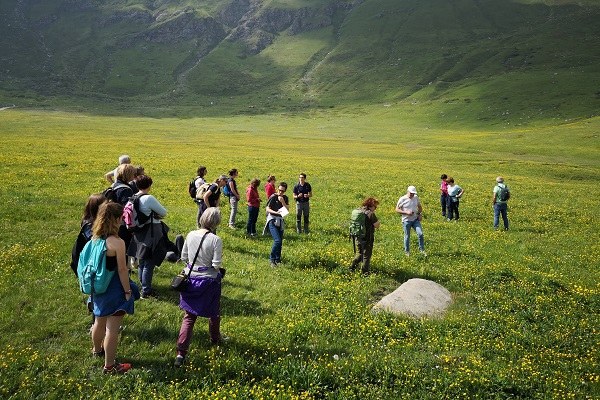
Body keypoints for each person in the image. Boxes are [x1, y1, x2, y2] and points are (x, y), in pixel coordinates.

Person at [89, 202, 138, 374]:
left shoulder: (95, 238)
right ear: (116, 219)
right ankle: (109, 366)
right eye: (121, 218)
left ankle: (97, 350)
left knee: (99, 321)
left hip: (98, 286)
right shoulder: (117, 242)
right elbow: (122, 270)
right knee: (112, 328)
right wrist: (127, 291)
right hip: (114, 288)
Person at [175, 207, 225, 367]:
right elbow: (216, 265)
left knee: (189, 317)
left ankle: (181, 353)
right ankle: (215, 338)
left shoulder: (190, 234)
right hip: (208, 281)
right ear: (216, 222)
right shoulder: (215, 240)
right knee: (214, 312)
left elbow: (184, 256)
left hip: (190, 279)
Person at [127, 175, 168, 298]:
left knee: (142, 259)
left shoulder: (132, 198)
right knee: (149, 262)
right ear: (149, 185)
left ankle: (143, 285)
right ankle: (146, 291)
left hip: (138, 231)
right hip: (151, 231)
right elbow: (164, 212)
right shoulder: (148, 198)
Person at [70, 194, 108, 276]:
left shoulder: (95, 220)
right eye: (105, 205)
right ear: (98, 208)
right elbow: (94, 241)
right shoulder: (88, 224)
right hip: (86, 260)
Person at [350, 197, 381, 274]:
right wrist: (378, 221)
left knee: (360, 252)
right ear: (371, 205)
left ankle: (352, 267)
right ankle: (365, 272)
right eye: (375, 207)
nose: (375, 208)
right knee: (366, 255)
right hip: (367, 237)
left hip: (358, 235)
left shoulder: (359, 210)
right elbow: (377, 225)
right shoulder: (370, 213)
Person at [395, 185, 426, 256]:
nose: (412, 194)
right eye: (411, 193)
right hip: (406, 220)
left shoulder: (416, 197)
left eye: (413, 193)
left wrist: (419, 214)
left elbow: (420, 207)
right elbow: (397, 209)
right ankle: (407, 251)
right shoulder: (402, 199)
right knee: (407, 236)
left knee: (420, 234)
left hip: (415, 219)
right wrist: (406, 212)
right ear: (407, 191)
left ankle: (422, 250)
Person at [264, 182, 289, 267]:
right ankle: (272, 260)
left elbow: (286, 211)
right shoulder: (273, 196)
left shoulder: (285, 198)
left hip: (280, 220)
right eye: (279, 190)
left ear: (285, 191)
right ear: (277, 188)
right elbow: (267, 209)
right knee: (277, 240)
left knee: (280, 242)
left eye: (282, 191)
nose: (280, 192)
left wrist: (283, 202)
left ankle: (278, 259)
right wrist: (275, 212)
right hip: (272, 219)